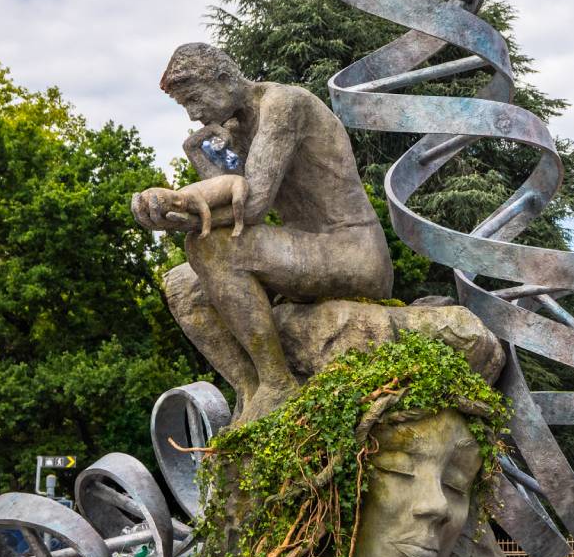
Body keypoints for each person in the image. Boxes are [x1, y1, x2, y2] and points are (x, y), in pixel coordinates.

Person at [134, 42, 393, 420]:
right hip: (305, 253)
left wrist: (177, 209)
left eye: (193, 99)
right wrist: (198, 154)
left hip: (351, 250)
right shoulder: (236, 127)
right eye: (184, 106)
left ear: (223, 78)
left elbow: (250, 207)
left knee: (212, 248)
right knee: (181, 283)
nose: (193, 115)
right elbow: (228, 192)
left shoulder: (284, 105)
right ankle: (250, 390)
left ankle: (278, 383)